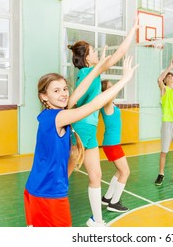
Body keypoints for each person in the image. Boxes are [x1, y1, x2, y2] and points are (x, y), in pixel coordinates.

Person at [24, 56, 138, 227]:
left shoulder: (51, 114)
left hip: (34, 189)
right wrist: (124, 80)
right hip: (48, 194)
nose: (63, 94)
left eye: (64, 89)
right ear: (44, 97)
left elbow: (81, 90)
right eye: (56, 91)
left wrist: (96, 68)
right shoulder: (59, 117)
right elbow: (94, 104)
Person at [67, 17, 139, 227]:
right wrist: (133, 29)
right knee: (66, 173)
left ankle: (96, 220)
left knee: (96, 175)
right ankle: (47, 202)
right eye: (93, 51)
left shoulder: (88, 72)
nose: (97, 53)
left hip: (89, 129)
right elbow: (119, 54)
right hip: (81, 128)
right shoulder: (90, 71)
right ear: (87, 58)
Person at [100, 79, 130, 213]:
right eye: (110, 87)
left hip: (112, 143)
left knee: (119, 171)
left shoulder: (110, 104)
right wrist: (125, 77)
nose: (113, 89)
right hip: (112, 144)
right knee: (125, 172)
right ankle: (114, 202)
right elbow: (111, 94)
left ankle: (107, 198)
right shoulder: (106, 103)